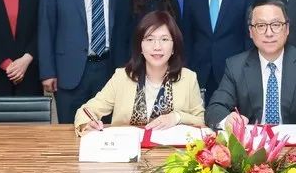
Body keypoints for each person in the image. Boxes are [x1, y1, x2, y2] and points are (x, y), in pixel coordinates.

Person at [205, 0, 296, 138]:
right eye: (261, 25)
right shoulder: (236, 66)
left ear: (287, 28)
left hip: (294, 145)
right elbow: (215, 108)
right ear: (251, 31)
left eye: (276, 24)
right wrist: (227, 120)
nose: (269, 33)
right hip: (251, 147)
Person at [39, 0, 131, 123]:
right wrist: (47, 72)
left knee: (106, 131)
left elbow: (124, 31)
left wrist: (124, 71)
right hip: (68, 71)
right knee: (69, 130)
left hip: (108, 70)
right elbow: (46, 28)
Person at [74, 11, 204, 135]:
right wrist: (88, 124)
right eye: (150, 39)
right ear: (140, 46)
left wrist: (177, 117)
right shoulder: (122, 77)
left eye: (164, 39)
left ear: (174, 46)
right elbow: (86, 111)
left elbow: (201, 121)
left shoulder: (188, 78)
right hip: (126, 148)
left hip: (170, 150)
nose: (157, 47)